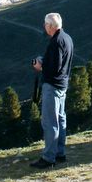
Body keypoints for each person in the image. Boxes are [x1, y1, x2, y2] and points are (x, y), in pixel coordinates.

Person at [30, 12, 74, 169]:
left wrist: (39, 66)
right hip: (62, 85)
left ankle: (48, 158)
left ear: (50, 26)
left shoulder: (56, 42)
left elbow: (54, 69)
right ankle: (59, 153)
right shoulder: (67, 38)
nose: (44, 26)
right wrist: (45, 61)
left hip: (52, 86)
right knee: (60, 120)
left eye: (45, 24)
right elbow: (60, 63)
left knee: (50, 122)